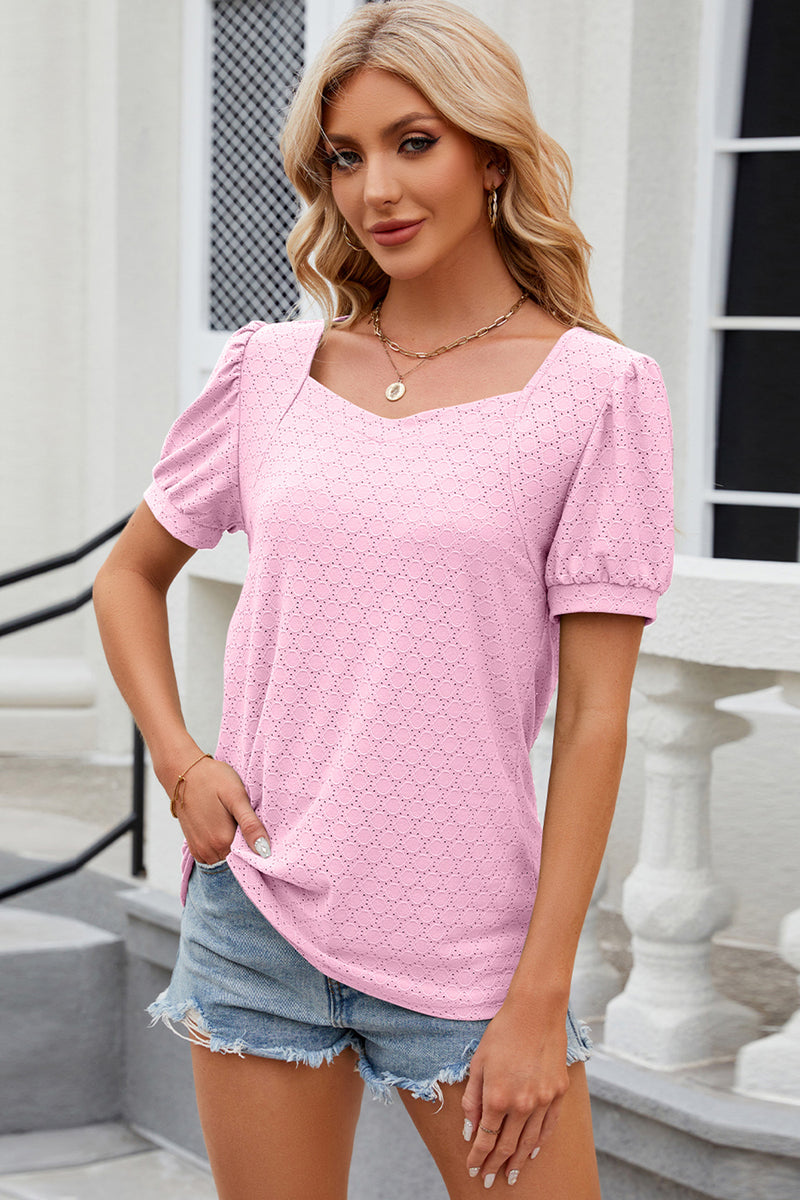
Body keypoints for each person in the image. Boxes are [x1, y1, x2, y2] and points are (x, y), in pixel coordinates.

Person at [93, 1, 673, 1196]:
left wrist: (540, 993)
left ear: (491, 155)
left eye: (414, 143)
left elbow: (594, 718)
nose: (376, 191)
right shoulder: (268, 371)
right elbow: (128, 576)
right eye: (344, 157)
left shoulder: (595, 393)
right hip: (259, 915)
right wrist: (181, 762)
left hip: (470, 950)